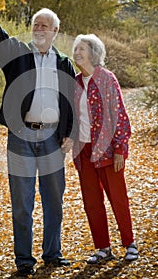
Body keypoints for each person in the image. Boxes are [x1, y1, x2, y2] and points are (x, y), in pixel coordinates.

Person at [0, 0, 77, 276]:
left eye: (45, 26)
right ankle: (24, 261)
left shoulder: (64, 63)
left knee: (54, 198)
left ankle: (53, 254)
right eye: (36, 25)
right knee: (22, 200)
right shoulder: (18, 55)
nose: (39, 29)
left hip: (53, 139)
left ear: (56, 31)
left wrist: (69, 133)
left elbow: (70, 101)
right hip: (22, 137)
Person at [72, 34, 139, 264]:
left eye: (81, 49)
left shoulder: (107, 79)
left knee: (117, 198)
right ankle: (103, 247)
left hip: (108, 150)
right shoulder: (76, 82)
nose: (77, 53)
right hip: (83, 150)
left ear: (93, 53)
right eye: (75, 49)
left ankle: (129, 244)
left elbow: (119, 113)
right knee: (91, 202)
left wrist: (121, 147)